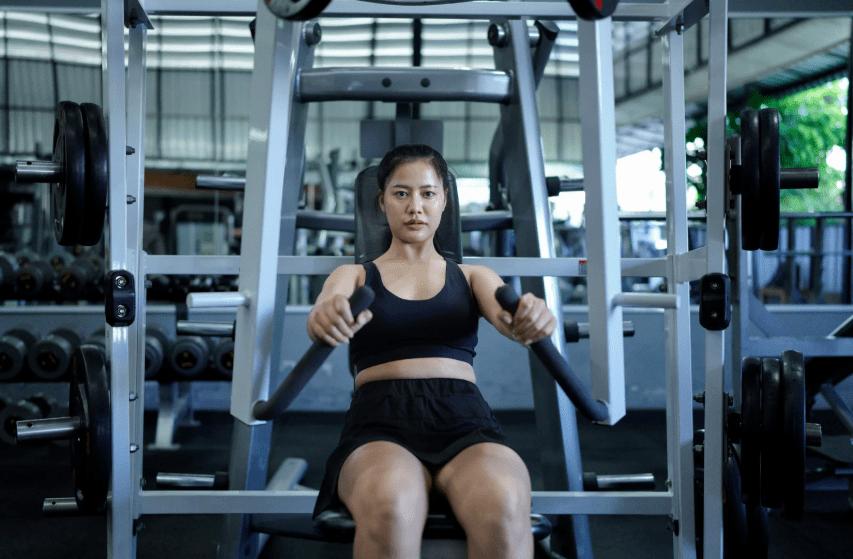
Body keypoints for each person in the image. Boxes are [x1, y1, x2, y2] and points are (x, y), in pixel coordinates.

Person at [308, 144, 557, 559]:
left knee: (504, 506)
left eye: (427, 193)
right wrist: (326, 317)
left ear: (444, 200)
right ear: (382, 202)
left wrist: (533, 315)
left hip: (464, 419)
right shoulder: (352, 274)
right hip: (380, 422)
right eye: (401, 193)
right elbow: (324, 309)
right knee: (390, 506)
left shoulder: (473, 275)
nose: (415, 207)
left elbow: (510, 317)